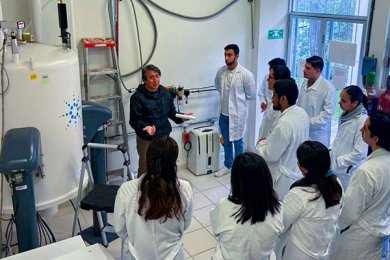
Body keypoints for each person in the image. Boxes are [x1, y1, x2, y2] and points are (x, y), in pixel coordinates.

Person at [114, 136, 193, 260]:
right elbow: (185, 224)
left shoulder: (126, 189)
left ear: (146, 159)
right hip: (173, 254)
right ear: (174, 162)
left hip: (135, 255)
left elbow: (120, 229)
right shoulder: (184, 189)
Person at [332, 111, 390, 260]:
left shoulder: (366, 171)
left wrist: (335, 224)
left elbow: (349, 212)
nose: (360, 130)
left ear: (375, 139)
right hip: (379, 233)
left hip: (358, 238)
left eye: (364, 129)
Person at [210, 152, 283, 260]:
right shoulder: (278, 208)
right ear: (266, 178)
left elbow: (216, 230)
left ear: (235, 181)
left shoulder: (225, 206)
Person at [277, 141, 343, 260]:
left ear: (305, 169)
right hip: (323, 247)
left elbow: (282, 224)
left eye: (299, 161)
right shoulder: (336, 184)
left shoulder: (301, 194)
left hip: (300, 253)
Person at [256, 79, 309, 199]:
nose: (272, 98)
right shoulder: (301, 113)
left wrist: (261, 143)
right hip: (296, 172)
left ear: (283, 98)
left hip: (282, 180)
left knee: (277, 210)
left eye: (274, 95)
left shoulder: (284, 123)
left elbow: (270, 155)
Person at [130, 65, 185, 177]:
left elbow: (171, 112)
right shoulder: (137, 97)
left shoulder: (165, 92)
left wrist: (181, 117)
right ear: (145, 80)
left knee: (165, 167)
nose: (155, 80)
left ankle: (164, 191)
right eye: (151, 77)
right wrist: (146, 128)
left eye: (157, 76)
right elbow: (135, 120)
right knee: (146, 169)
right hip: (147, 140)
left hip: (164, 137)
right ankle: (144, 192)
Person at [214, 44, 256, 177]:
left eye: (229, 55)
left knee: (238, 142)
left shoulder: (246, 74)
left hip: (237, 115)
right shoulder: (221, 72)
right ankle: (228, 165)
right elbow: (217, 85)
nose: (226, 58)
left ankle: (239, 168)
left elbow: (251, 94)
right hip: (223, 113)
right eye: (225, 55)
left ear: (237, 56)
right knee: (226, 141)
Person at [330, 85, 368, 190]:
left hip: (347, 171)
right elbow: (340, 138)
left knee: (345, 200)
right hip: (337, 167)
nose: (339, 102)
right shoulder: (345, 115)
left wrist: (340, 161)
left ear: (355, 103)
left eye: (343, 100)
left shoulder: (362, 121)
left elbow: (360, 152)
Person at [297, 56, 336, 147]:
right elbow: (299, 104)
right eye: (304, 67)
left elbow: (326, 116)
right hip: (303, 131)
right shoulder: (304, 83)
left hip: (318, 135)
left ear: (317, 71)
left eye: (308, 68)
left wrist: (306, 122)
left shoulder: (328, 88)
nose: (304, 70)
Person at [258, 65, 291, 139]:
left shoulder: (280, 106)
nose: (267, 80)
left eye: (270, 77)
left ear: (278, 81)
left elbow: (275, 136)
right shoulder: (273, 100)